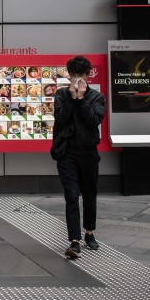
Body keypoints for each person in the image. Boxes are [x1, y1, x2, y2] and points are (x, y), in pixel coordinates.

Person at [53, 55, 106, 259]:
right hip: (67, 155)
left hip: (89, 155)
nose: (77, 79)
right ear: (69, 75)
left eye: (81, 75)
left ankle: (89, 232)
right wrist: (72, 99)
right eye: (73, 75)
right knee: (71, 196)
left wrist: (82, 99)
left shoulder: (97, 98)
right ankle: (74, 240)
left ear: (88, 75)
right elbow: (60, 119)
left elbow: (94, 121)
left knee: (90, 195)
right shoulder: (60, 95)